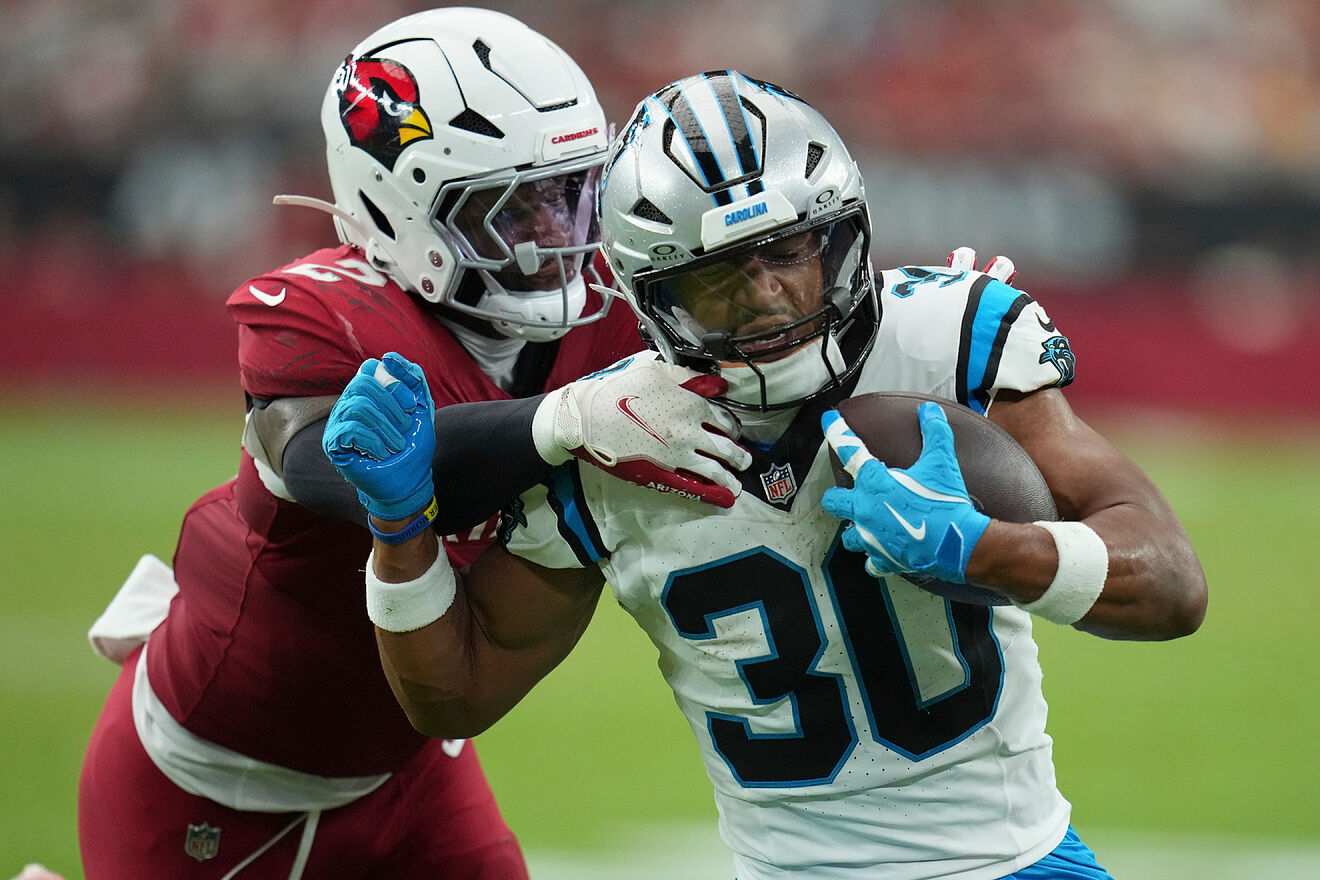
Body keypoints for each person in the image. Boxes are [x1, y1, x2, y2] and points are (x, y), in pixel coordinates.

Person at [324, 71, 1208, 879]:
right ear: (650, 298)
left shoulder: (943, 344)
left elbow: (1172, 585)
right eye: (719, 281)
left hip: (1013, 861)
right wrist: (400, 533)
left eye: (790, 254)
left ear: (845, 234)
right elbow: (457, 691)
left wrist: (988, 552)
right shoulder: (617, 430)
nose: (770, 298)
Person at [77, 11, 750, 879]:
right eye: (518, 209)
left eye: (571, 194)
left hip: (411, 773)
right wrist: (565, 420)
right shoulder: (326, 313)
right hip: (215, 781)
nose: (559, 236)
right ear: (399, 210)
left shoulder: (606, 318)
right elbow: (331, 465)